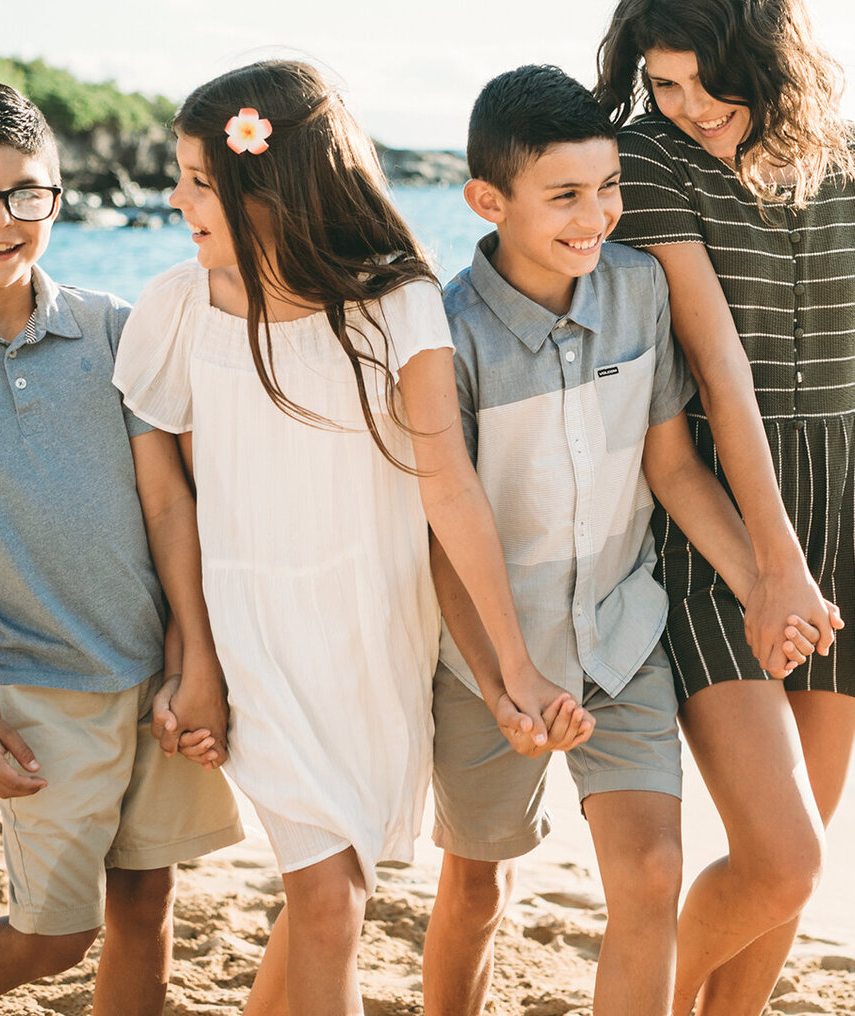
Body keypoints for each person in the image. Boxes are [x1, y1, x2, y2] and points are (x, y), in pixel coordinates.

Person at [111, 60, 571, 1016]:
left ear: (264, 187)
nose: (177, 198)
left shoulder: (398, 303)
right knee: (329, 899)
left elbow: (450, 488)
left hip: (373, 640)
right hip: (253, 635)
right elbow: (170, 506)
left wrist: (511, 666)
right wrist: (194, 658)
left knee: (334, 890)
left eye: (199, 178)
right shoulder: (178, 308)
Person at [421, 64, 818, 1016]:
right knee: (477, 886)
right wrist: (509, 679)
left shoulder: (639, 290)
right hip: (484, 657)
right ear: (489, 199)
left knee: (649, 875)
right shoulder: (446, 336)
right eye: (565, 196)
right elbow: (440, 541)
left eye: (609, 188)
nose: (596, 216)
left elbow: (672, 467)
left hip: (621, 636)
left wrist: (762, 578)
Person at [0, 80, 242, 1016]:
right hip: (34, 693)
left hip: (161, 675)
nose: (0, 220)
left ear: (59, 197)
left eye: (27, 194)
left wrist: (195, 656)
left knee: (148, 897)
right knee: (55, 932)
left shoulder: (115, 327)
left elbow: (169, 503)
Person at [596, 1, 855, 1013]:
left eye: (706, 81)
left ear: (769, 61)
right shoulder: (650, 157)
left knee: (799, 865)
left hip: (849, 506)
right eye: (662, 82)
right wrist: (772, 562)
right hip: (717, 525)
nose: (686, 105)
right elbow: (717, 365)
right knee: (780, 857)